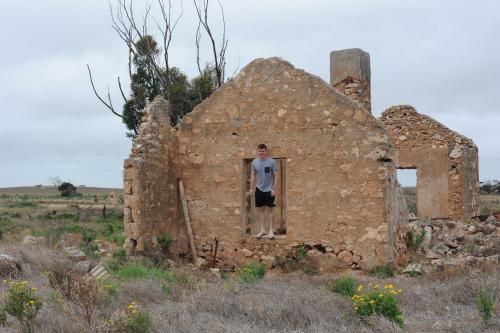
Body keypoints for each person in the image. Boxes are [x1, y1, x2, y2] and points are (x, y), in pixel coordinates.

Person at [247, 144, 278, 239]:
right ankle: (262, 230)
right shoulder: (254, 162)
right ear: (257, 151)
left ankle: (271, 231)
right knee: (261, 210)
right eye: (260, 151)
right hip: (259, 188)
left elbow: (276, 175)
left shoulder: (272, 162)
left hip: (269, 189)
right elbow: (253, 175)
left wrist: (274, 188)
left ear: (266, 151)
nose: (261, 153)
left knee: (270, 210)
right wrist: (251, 188)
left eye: (263, 151)